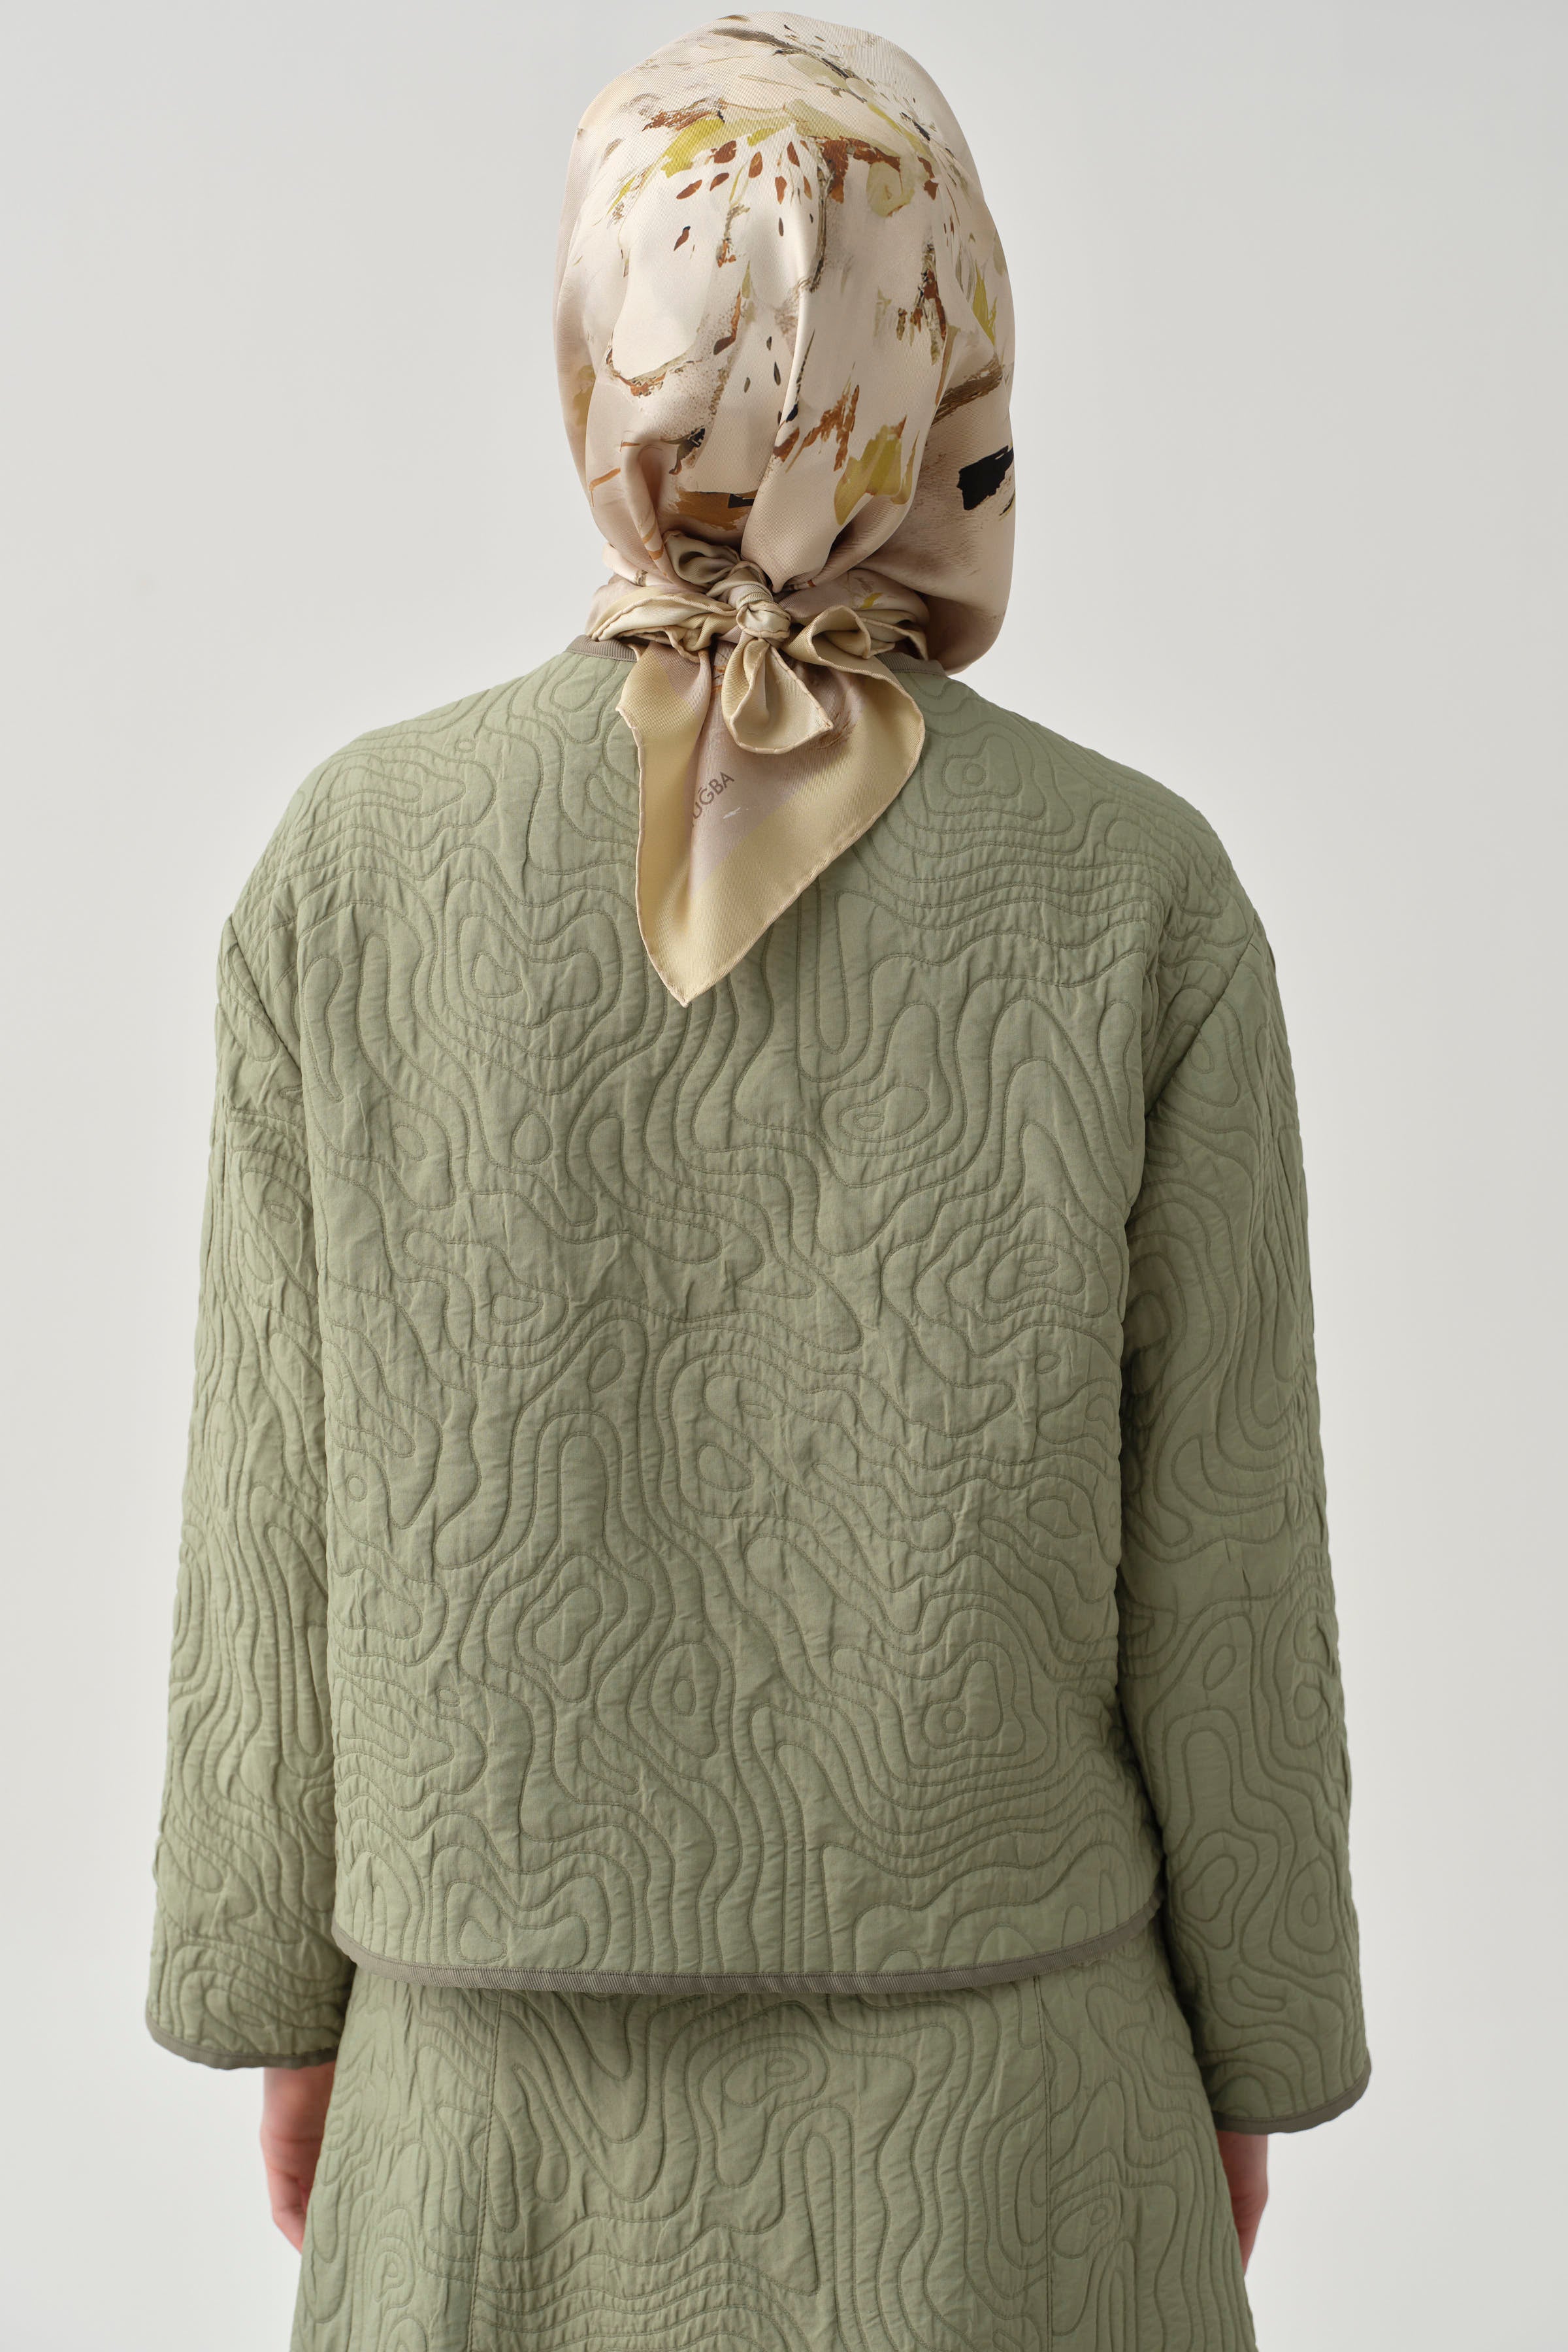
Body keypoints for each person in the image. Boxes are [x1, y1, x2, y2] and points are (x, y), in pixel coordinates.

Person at [144, 15, 1369, 2348]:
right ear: (955, 334)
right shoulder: (1134, 888)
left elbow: (268, 1504)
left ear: (605, 335)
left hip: (488, 2115)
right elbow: (1231, 1547)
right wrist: (1262, 2042)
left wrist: (271, 1989)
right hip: (1012, 2119)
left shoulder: (353, 863)